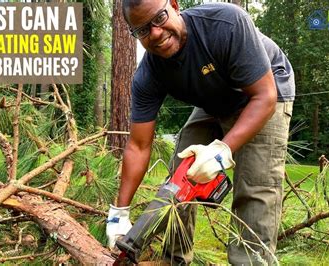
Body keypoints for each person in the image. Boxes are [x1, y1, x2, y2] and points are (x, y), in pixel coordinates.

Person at [106, 0, 295, 264]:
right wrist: (120, 211)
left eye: (159, 18)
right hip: (215, 99)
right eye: (143, 30)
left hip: (264, 90)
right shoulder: (148, 74)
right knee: (179, 178)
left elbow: (264, 96)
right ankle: (175, 260)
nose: (156, 34)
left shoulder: (225, 23)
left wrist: (220, 152)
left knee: (254, 185)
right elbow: (138, 145)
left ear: (174, 5)